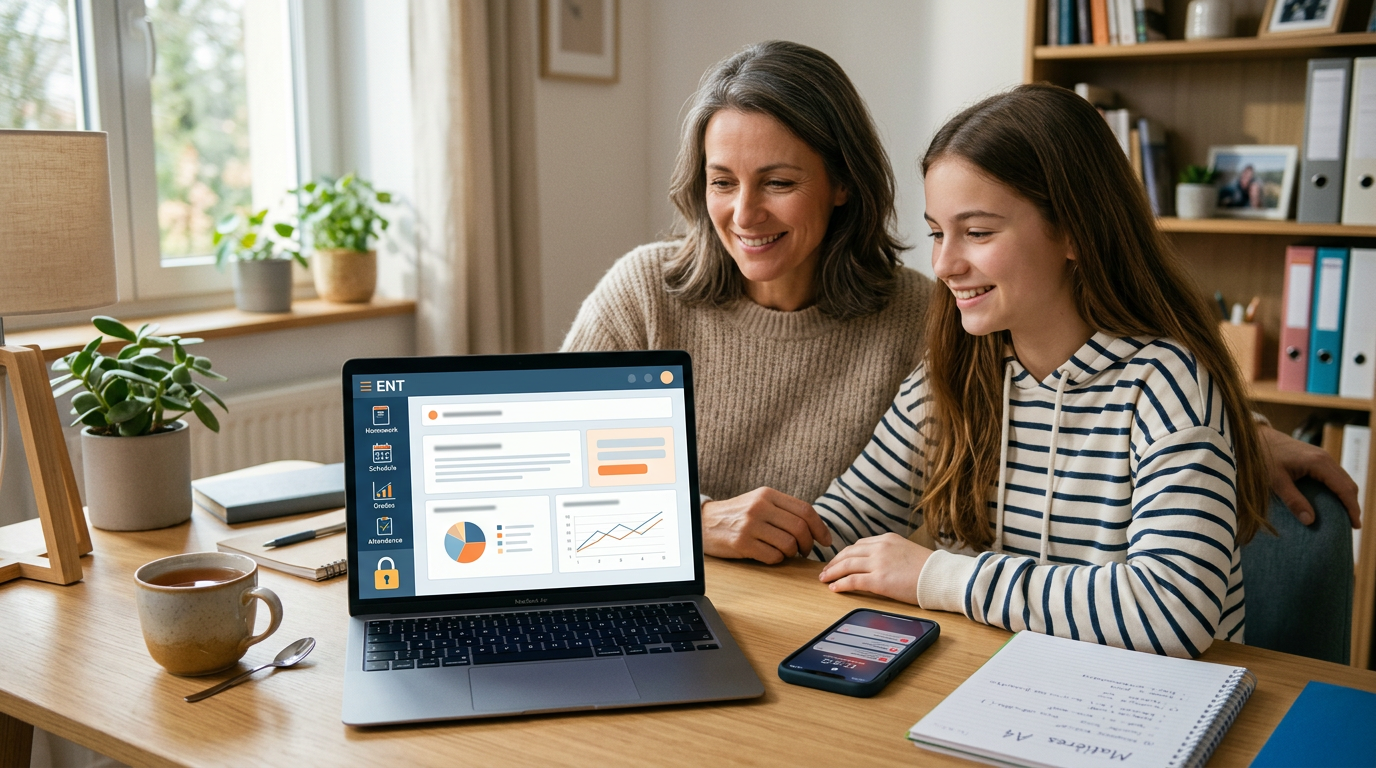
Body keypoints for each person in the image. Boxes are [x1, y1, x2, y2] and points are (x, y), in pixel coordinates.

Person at [562, 41, 1361, 567]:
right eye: (721, 181)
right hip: (677, 597)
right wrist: (689, 524)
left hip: (814, 614)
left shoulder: (931, 317)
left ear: (843, 185)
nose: (742, 214)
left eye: (778, 181)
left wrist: (1236, 429)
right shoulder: (647, 291)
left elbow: (1092, 365)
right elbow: (548, 487)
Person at [816, 84, 1269, 657]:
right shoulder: (950, 376)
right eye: (937, 232)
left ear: (1076, 231)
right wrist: (718, 521)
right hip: (995, 688)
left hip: (1141, 710)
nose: (944, 264)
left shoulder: (1164, 383)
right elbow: (834, 532)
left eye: (977, 233)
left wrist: (941, 577)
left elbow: (1172, 611)